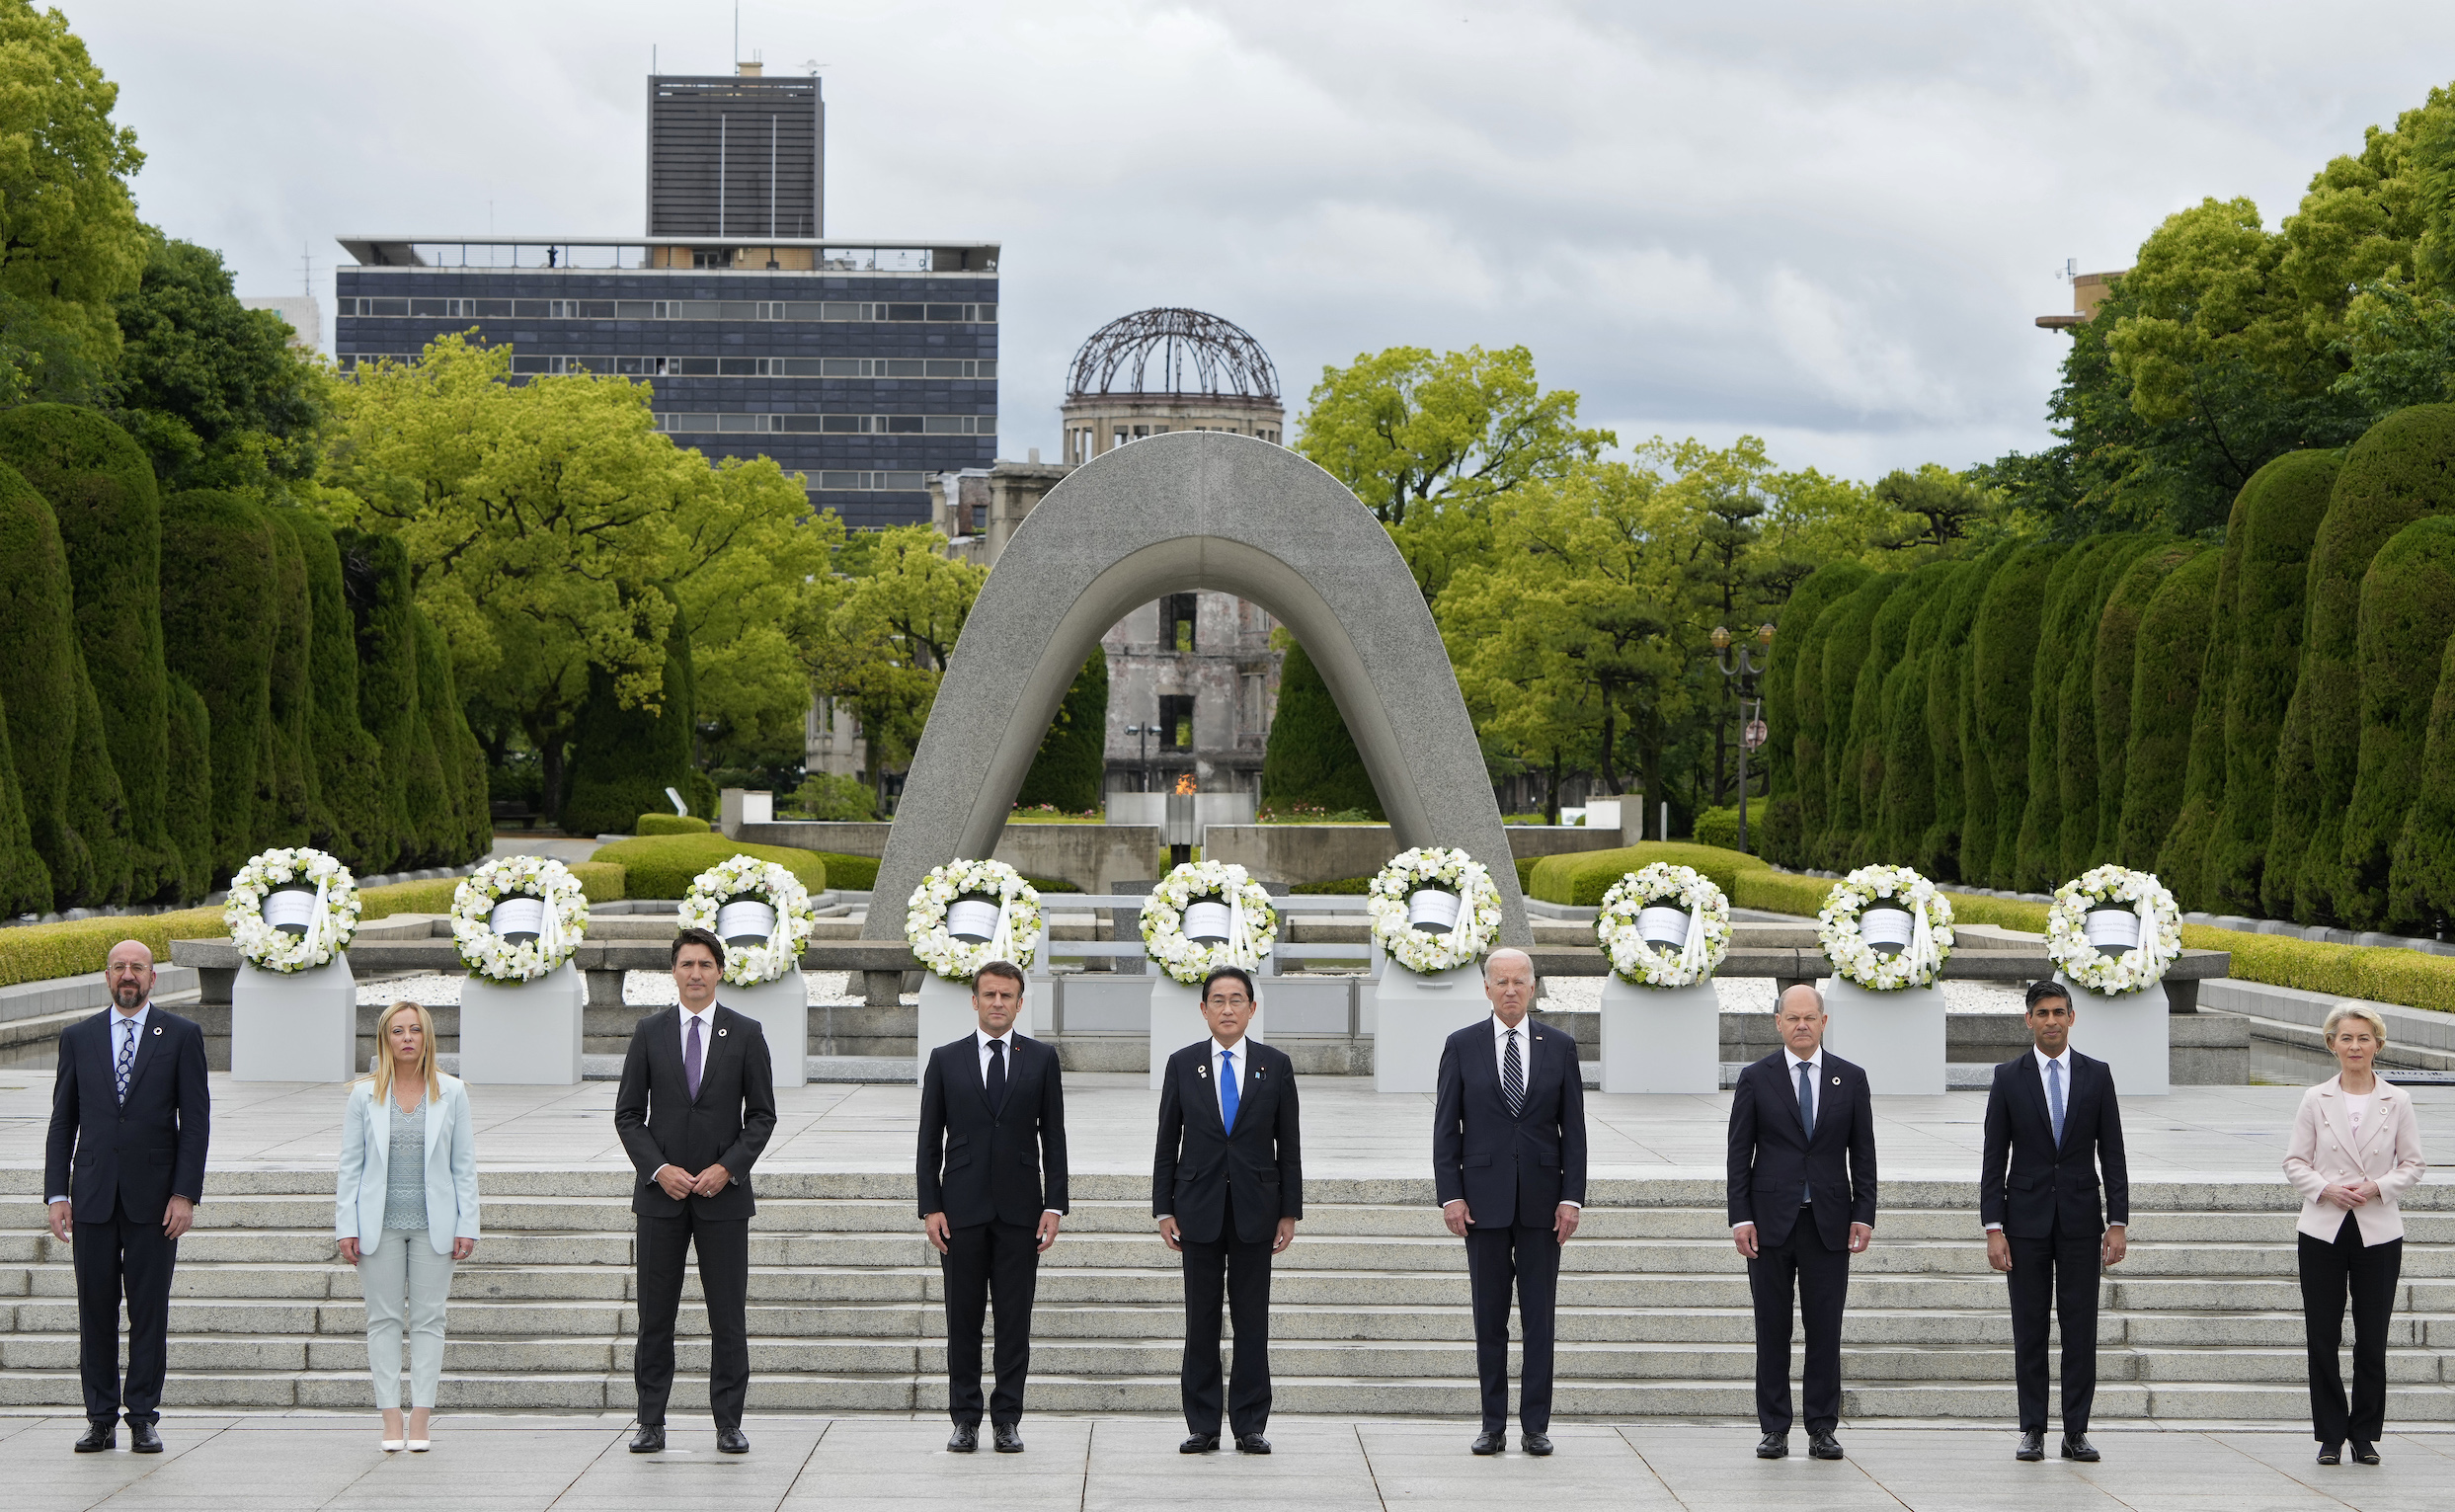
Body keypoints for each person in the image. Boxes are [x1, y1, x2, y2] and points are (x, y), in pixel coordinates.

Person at [613, 927, 777, 1456]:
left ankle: (729, 1422)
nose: (696, 974)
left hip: (722, 1199)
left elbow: (763, 1116)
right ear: (674, 972)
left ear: (720, 971)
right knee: (654, 1315)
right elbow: (628, 1114)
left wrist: (726, 1169)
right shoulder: (649, 1031)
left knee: (727, 1314)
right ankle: (650, 1421)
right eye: (686, 964)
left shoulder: (746, 1033)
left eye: (705, 965)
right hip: (661, 1199)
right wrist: (658, 1169)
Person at [45, 940, 210, 1455]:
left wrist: (184, 1193)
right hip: (91, 1198)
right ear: (108, 977)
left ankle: (141, 1416)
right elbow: (62, 1121)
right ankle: (99, 1418)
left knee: (148, 1311)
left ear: (153, 978)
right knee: (95, 1311)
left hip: (154, 1201)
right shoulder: (79, 1037)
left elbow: (195, 1124)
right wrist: (57, 1192)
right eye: (119, 968)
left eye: (137, 967)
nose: (128, 975)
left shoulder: (181, 1036)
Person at [1433, 946, 1587, 1458]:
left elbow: (1575, 1133)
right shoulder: (1462, 1045)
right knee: (1489, 1318)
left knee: (1539, 1319)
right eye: (1501, 981)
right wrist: (1451, 1195)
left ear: (1534, 986)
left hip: (1545, 1207)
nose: (1511, 990)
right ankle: (1492, 1423)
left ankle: (1536, 1425)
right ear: (1486, 988)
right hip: (1482, 1204)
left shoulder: (1559, 1046)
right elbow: (1446, 1130)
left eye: (1520, 981)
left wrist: (1572, 1198)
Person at [918, 959, 1069, 1454]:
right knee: (962, 1320)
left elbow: (1055, 1137)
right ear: (976, 1000)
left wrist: (1055, 1205)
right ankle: (964, 1418)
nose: (998, 1003)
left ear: (1020, 1003)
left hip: (1021, 1212)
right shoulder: (945, 1058)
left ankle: (1007, 1418)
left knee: (1013, 1321)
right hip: (960, 1212)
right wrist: (930, 1206)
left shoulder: (1042, 1059)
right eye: (990, 995)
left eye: (1007, 996)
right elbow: (928, 1141)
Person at [1153, 965, 1303, 1455]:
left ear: (1252, 1008)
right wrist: (1163, 1207)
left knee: (1251, 1320)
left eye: (1237, 1000)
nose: (1227, 1009)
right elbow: (1166, 1142)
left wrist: (1289, 1211)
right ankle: (1202, 1424)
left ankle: (1250, 1424)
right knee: (1201, 1321)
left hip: (1257, 1211)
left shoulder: (1274, 1065)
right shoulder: (1183, 1063)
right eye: (1217, 1000)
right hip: (1196, 1209)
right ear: (1203, 1010)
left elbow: (1290, 1145)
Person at [1979, 980, 2129, 1464]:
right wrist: (1993, 1227)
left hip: (2084, 1222)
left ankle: (2076, 1432)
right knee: (2029, 1329)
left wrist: (2118, 1220)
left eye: (2058, 1012)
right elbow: (1992, 1157)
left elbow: (2113, 1152)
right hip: (2024, 1224)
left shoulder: (2097, 1074)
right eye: (2041, 1013)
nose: (2050, 1021)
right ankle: (2032, 1430)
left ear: (2071, 1018)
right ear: (2028, 1020)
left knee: (2080, 1328)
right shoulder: (2007, 1077)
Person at [1726, 983, 1875, 1463]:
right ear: (1778, 1023)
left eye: (1810, 1017)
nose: (1802, 1026)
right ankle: (1774, 1427)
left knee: (1824, 1328)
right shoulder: (1756, 1077)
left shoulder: (1850, 1079)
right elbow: (1738, 1155)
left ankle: (1822, 1427)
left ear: (1824, 1022)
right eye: (1792, 1018)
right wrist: (1741, 1217)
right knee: (1772, 1327)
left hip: (1828, 1224)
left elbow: (1864, 1157)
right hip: (1769, 1225)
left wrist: (1864, 1215)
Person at [2284, 1004, 2426, 1467]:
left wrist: (2377, 1187)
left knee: (2373, 1336)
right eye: (2346, 1038)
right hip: (2323, 1228)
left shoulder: (2397, 1100)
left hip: (2378, 1229)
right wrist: (2325, 1188)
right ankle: (2329, 1434)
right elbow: (2294, 1162)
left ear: (2378, 1045)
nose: (2355, 1047)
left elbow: (2413, 1164)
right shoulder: (2314, 1099)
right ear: (2332, 1045)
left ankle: (2364, 1434)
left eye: (2364, 1039)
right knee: (2322, 1334)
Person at [335, 1001, 480, 1452]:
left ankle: (420, 1418)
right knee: (382, 1319)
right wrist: (346, 1224)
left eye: (415, 1030)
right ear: (385, 1039)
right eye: (397, 1031)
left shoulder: (452, 1092)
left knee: (429, 1320)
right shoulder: (363, 1096)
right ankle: (389, 1418)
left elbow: (464, 1165)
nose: (407, 1039)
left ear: (427, 1037)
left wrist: (467, 1223)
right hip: (377, 1226)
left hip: (434, 1225)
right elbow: (350, 1167)